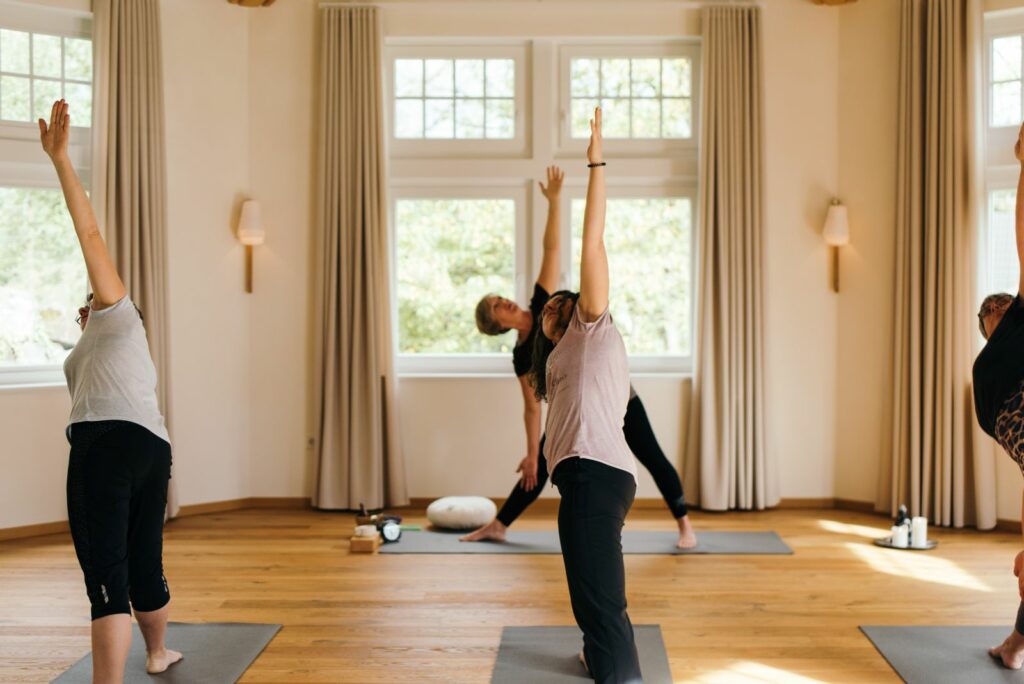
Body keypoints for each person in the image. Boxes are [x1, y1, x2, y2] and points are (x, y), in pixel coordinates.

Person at [466, 168, 697, 549]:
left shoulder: (544, 303)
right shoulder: (523, 355)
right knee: (538, 464)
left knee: (652, 456)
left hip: (615, 395)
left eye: (498, 298)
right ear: (498, 326)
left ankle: (685, 525)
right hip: (573, 407)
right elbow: (531, 407)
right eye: (496, 309)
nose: (502, 302)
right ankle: (500, 524)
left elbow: (552, 250)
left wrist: (555, 202)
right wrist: (530, 453)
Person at [41, 100, 181, 683]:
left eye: (96, 297)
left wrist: (61, 161)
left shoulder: (120, 315)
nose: (90, 301)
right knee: (145, 564)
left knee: (107, 577)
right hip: (153, 448)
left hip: (106, 447)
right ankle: (156, 652)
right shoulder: (106, 341)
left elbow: (89, 231)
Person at [530, 107, 642, 683]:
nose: (552, 306)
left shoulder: (591, 326)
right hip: (580, 477)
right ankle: (597, 656)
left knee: (601, 600)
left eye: (560, 302)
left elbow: (589, 243)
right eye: (546, 307)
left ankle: (620, 672)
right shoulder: (554, 362)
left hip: (597, 473)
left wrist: (595, 161)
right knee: (586, 589)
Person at [976, 122, 1024, 671]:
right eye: (991, 311)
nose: (999, 309)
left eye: (1004, 304)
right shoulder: (996, 358)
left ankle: (1014, 642)